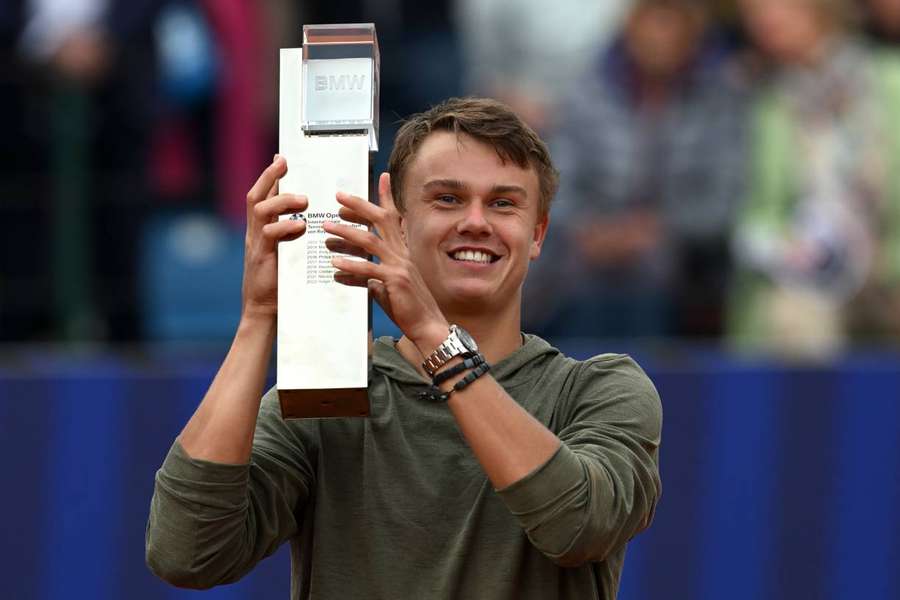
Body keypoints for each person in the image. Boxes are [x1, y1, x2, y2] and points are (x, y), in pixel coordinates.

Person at [145, 97, 662, 599]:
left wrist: (437, 339)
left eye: (503, 203)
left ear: (538, 234)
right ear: (397, 225)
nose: (476, 222)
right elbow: (186, 553)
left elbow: (578, 525)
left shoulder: (599, 389)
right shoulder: (332, 393)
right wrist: (258, 318)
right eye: (448, 199)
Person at [530, 0, 747, 341]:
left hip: (681, 259)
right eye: (652, 25)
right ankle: (574, 385)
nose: (659, 39)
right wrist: (592, 231)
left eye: (671, 27)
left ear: (692, 37)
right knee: (578, 282)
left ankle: (646, 389)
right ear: (630, 29)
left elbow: (722, 201)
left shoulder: (720, 100)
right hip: (588, 248)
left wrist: (658, 230)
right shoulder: (586, 93)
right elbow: (554, 183)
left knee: (650, 277)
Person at [728, 0, 900, 359]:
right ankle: (811, 415)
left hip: (887, 265)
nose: (766, 20)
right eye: (754, 14)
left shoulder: (890, 81)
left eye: (781, 8)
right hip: (809, 276)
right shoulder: (768, 101)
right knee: (796, 318)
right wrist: (782, 247)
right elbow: (757, 210)